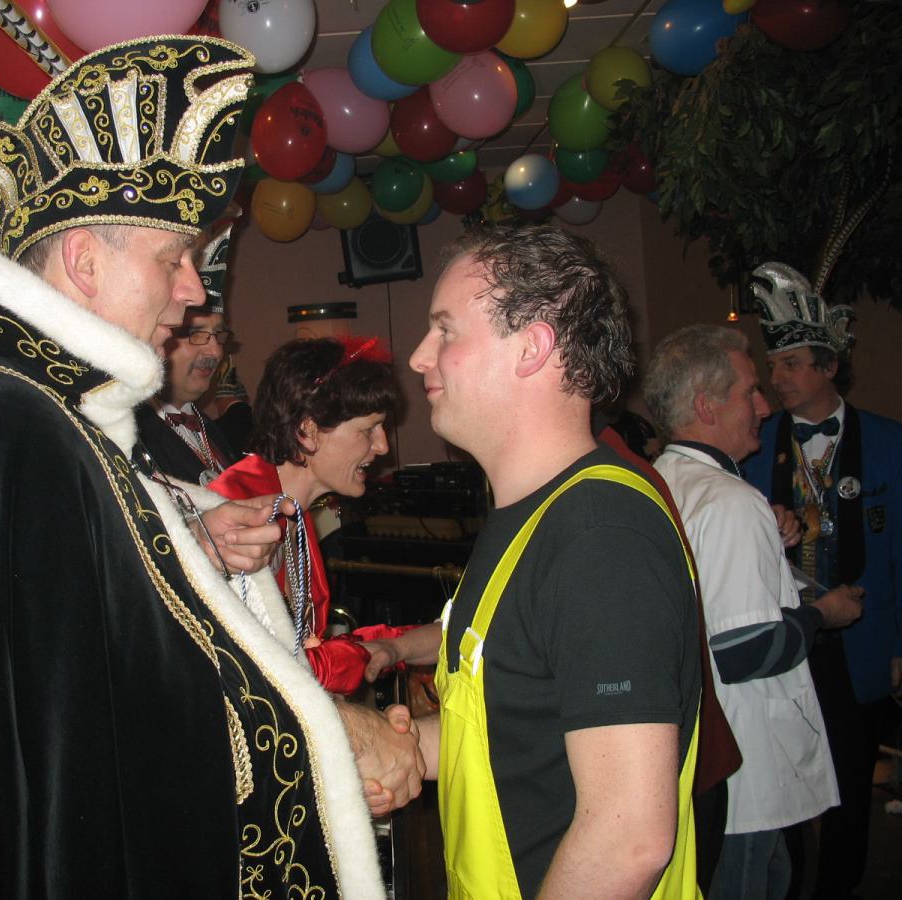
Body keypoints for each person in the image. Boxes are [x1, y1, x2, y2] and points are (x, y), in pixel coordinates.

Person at [0, 37, 418, 899]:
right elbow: (105, 720)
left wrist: (195, 538)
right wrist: (331, 730)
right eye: (172, 259)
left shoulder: (36, 410)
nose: (193, 291)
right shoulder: (9, 420)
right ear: (86, 261)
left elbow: (95, 636)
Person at [405, 222, 702, 898]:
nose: (421, 357)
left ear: (533, 348)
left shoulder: (600, 535)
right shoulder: (533, 519)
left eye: (445, 331)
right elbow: (514, 735)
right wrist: (391, 745)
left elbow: (628, 839)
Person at [646, 324, 863, 900]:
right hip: (746, 765)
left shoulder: (659, 481)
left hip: (698, 758)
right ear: (705, 406)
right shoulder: (729, 501)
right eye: (750, 392)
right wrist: (824, 613)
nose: (765, 407)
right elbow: (744, 650)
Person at [742, 261, 902, 899]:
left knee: (850, 780)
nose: (776, 379)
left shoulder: (890, 443)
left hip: (860, 641)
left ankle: (838, 888)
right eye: (772, 366)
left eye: (790, 365)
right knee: (780, 779)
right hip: (788, 636)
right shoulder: (755, 444)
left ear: (828, 367)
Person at [208, 336, 413, 694]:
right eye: (368, 429)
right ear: (307, 431)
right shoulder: (236, 511)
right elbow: (257, 672)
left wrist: (406, 641)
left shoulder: (290, 509)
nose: (383, 446)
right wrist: (367, 654)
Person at [135, 218, 245, 485]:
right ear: (162, 333)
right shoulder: (135, 434)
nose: (214, 351)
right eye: (195, 333)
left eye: (219, 335)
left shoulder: (211, 431)